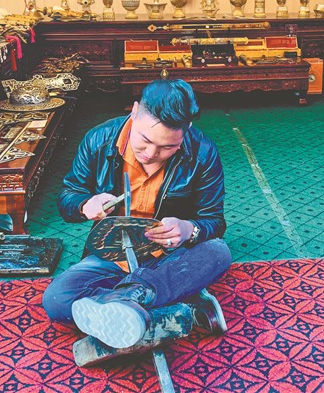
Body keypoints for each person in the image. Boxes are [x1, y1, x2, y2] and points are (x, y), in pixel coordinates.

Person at [42, 79, 232, 351]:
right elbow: (68, 197)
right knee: (57, 300)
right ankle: (179, 311)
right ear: (134, 112)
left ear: (187, 128)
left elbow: (214, 220)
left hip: (168, 255)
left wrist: (188, 229)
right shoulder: (98, 139)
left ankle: (128, 302)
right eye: (145, 140)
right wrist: (84, 204)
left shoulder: (203, 152)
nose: (152, 154)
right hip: (112, 254)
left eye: (168, 147)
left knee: (218, 253)